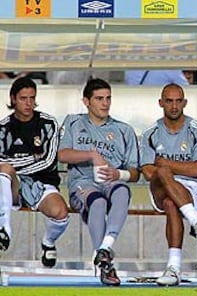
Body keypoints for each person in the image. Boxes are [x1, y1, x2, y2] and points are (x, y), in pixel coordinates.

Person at [58, 78, 139, 286]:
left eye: (108, 98)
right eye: (99, 99)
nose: (105, 103)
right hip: (82, 183)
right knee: (98, 202)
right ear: (86, 101)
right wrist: (92, 155)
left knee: (122, 190)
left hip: (110, 181)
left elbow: (135, 173)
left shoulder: (124, 130)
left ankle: (104, 249)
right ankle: (106, 262)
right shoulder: (73, 122)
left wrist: (118, 174)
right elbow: (62, 154)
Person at [139, 83, 197, 286]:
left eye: (178, 101)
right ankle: (196, 222)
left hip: (192, 188)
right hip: (159, 188)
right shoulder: (150, 133)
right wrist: (170, 171)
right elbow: (147, 171)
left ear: (185, 103)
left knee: (172, 201)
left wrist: (166, 165)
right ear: (160, 103)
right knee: (161, 174)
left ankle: (173, 268)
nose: (174, 106)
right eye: (169, 101)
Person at [0, 77, 69, 267]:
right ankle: (3, 229)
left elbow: (48, 161)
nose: (28, 103)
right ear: (13, 99)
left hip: (42, 182)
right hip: (11, 184)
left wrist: (16, 165)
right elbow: (1, 163)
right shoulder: (4, 127)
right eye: (23, 98)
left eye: (32, 98)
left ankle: (48, 243)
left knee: (61, 213)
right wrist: (30, 159)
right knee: (4, 171)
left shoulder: (48, 123)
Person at [125, 70, 189, 86]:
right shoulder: (169, 67)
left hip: (136, 103)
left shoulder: (129, 66)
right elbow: (187, 89)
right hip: (158, 107)